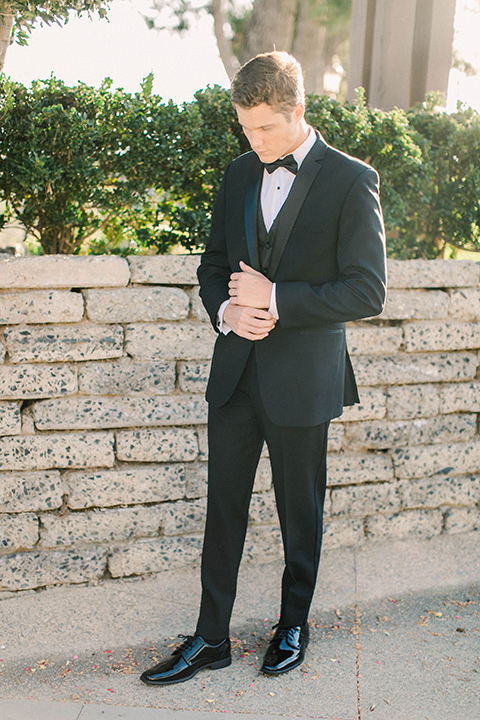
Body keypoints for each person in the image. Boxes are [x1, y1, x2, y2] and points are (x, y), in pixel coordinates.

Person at [140, 50, 386, 686]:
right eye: (245, 128)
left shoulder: (351, 179)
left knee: (298, 509)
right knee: (223, 506)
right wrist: (227, 310)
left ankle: (293, 623)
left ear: (298, 111)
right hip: (236, 372)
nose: (254, 142)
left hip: (303, 377)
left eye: (265, 129)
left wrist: (275, 299)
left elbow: (367, 291)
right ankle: (210, 638)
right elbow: (213, 266)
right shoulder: (238, 174)